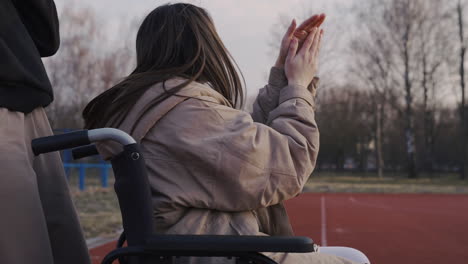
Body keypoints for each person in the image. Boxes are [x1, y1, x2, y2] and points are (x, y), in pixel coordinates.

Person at [83, 3, 360, 264]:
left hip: (181, 248)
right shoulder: (185, 113)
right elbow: (287, 165)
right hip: (217, 251)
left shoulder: (154, 107)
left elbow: (246, 147)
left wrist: (282, 77)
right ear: (204, 48)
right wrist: (298, 86)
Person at [0, 1, 90, 263]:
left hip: (24, 110)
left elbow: (44, 38)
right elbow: (45, 37)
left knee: (56, 241)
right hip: (12, 109)